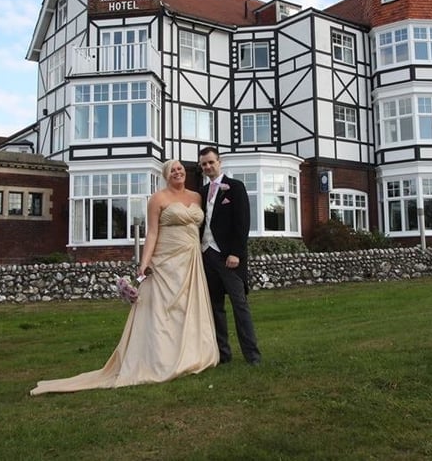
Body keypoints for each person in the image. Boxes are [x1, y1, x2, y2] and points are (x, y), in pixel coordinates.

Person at [30, 160, 218, 395]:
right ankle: (162, 357)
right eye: (172, 170)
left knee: (188, 306)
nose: (177, 172)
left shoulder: (197, 197)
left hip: (191, 258)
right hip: (166, 259)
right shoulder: (158, 199)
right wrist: (144, 263)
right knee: (163, 309)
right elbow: (152, 233)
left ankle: (192, 353)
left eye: (180, 168)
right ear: (166, 175)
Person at [198, 146, 261, 365]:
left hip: (229, 257)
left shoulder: (235, 187)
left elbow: (242, 223)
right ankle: (223, 355)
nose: (208, 166)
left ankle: (252, 356)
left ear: (219, 162)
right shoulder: (201, 193)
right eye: (204, 164)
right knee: (215, 307)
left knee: (239, 305)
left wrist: (236, 253)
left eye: (211, 162)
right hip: (207, 255)